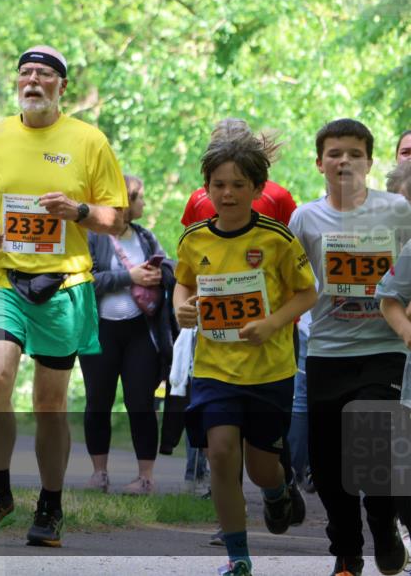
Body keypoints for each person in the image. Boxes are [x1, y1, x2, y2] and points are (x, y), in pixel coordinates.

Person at [0, 45, 127, 547]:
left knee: (49, 403)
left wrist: (79, 211)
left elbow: (117, 218)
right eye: (25, 73)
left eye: (43, 74)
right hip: (2, 279)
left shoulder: (89, 141)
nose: (32, 80)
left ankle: (50, 505)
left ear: (62, 86)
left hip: (63, 286)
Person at [174, 130, 317, 576]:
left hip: (268, 371)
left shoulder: (277, 239)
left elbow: (307, 293)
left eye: (238, 184)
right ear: (206, 189)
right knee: (220, 453)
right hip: (215, 369)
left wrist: (273, 323)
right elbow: (183, 282)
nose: (228, 193)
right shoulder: (194, 238)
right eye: (219, 184)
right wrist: (181, 306)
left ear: (257, 189)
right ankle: (238, 558)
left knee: (261, 468)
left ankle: (278, 492)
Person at [289, 118, 411, 576]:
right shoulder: (305, 219)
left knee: (375, 445)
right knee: (329, 464)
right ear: (319, 162)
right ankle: (346, 549)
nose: (345, 161)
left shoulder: (397, 211)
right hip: (326, 350)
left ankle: (382, 525)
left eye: (355, 154)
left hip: (385, 348)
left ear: (370, 162)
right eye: (335, 153)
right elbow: (289, 281)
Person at [82, 174, 176, 494]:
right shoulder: (93, 236)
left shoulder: (145, 237)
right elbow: (86, 279)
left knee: (141, 402)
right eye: (140, 198)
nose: (144, 204)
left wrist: (159, 272)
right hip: (101, 331)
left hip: (141, 332)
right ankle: (99, 473)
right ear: (124, 202)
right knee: (98, 400)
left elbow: (169, 268)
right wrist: (129, 276)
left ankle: (145, 477)